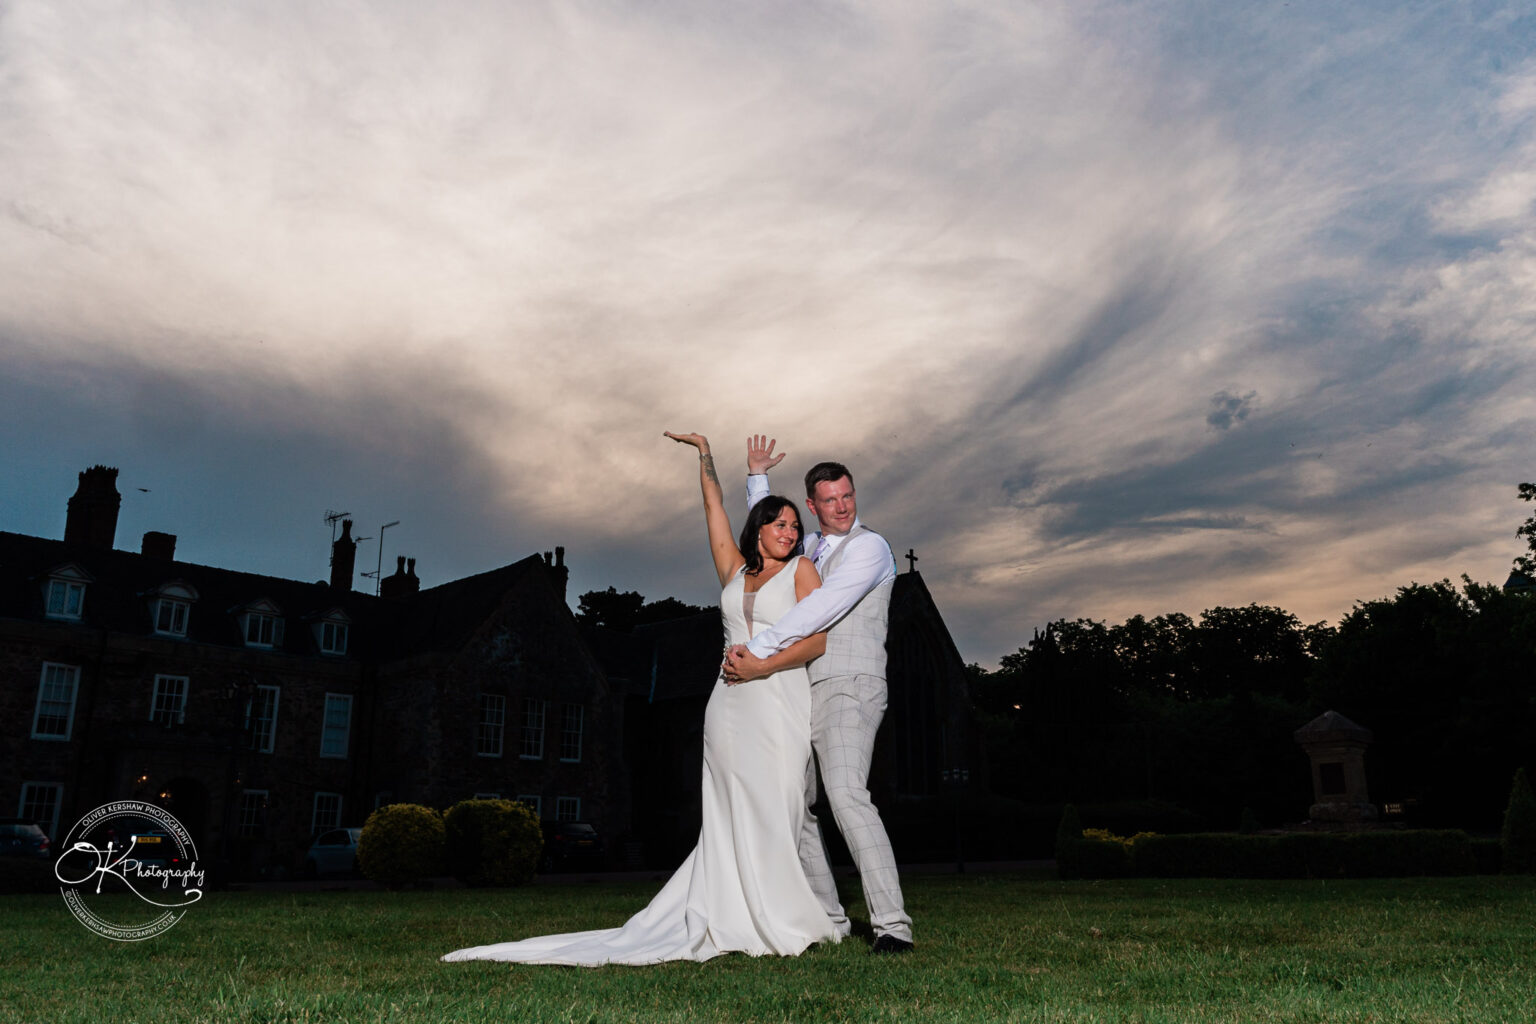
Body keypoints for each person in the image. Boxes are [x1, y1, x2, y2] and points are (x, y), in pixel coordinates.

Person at [442, 431, 838, 966]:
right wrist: (705, 456)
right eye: (779, 523)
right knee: (728, 811)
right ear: (759, 530)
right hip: (728, 705)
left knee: (779, 803)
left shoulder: (803, 572)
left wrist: (764, 663)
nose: (790, 531)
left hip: (779, 699)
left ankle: (780, 914)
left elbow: (816, 640)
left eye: (794, 525)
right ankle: (730, 909)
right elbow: (712, 507)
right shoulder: (733, 571)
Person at [723, 436, 914, 954]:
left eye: (848, 495)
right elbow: (770, 537)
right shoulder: (809, 548)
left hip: (850, 684)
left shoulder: (870, 548)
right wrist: (757, 480)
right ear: (813, 505)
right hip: (801, 689)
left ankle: (893, 925)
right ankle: (831, 916)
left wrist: (757, 649)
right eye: (829, 500)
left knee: (848, 795)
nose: (842, 506)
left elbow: (821, 608)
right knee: (799, 803)